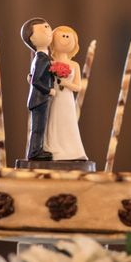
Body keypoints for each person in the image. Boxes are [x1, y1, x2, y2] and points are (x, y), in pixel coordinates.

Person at [45, 25, 87, 161]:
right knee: (54, 121)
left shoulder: (75, 65)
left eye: (68, 35)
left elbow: (78, 87)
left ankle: (72, 151)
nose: (65, 37)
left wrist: (66, 84)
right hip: (54, 98)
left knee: (68, 123)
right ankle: (53, 149)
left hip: (67, 99)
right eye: (61, 35)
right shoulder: (50, 62)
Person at [20, 17, 56, 161]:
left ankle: (37, 150)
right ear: (32, 39)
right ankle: (35, 152)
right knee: (38, 128)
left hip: (40, 99)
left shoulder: (41, 57)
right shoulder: (41, 58)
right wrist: (49, 90)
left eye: (48, 27)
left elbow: (32, 76)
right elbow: (35, 81)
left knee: (40, 127)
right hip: (39, 99)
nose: (48, 30)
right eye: (43, 29)